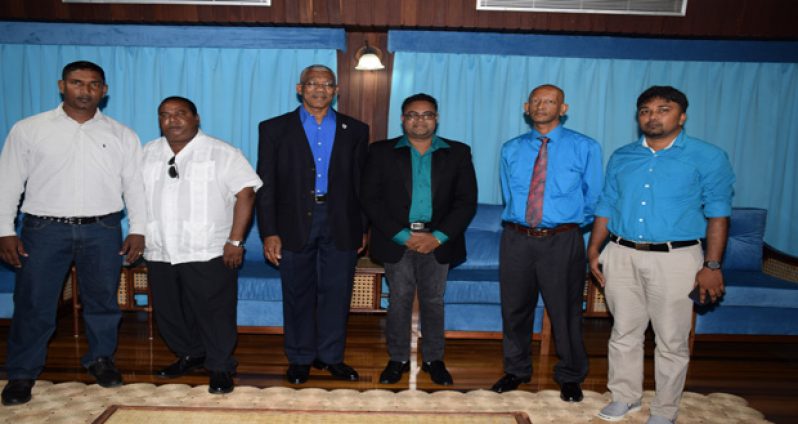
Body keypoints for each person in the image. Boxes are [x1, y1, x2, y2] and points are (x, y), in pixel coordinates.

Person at [0, 61, 146, 405]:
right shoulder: (29, 129)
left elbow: (135, 187)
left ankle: (100, 359)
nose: (85, 90)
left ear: (104, 90)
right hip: (44, 229)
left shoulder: (121, 134)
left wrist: (138, 229)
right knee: (34, 303)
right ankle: (22, 373)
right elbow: (8, 182)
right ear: (61, 85)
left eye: (94, 84)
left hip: (104, 229)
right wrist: (4, 230)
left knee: (103, 301)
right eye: (77, 83)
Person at [588, 86, 734, 424]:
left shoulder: (708, 156)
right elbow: (606, 203)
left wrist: (712, 265)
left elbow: (718, 213)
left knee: (671, 339)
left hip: (676, 259)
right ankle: (624, 397)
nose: (652, 116)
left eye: (662, 109)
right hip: (621, 253)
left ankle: (665, 410)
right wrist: (595, 248)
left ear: (681, 116)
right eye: (645, 110)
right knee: (623, 331)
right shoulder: (623, 155)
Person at [255, 64, 369, 384]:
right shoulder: (274, 129)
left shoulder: (356, 129)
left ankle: (331, 357)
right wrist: (269, 232)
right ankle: (300, 358)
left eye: (327, 84)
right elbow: (266, 184)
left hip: (341, 220)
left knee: (337, 292)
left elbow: (362, 184)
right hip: (292, 222)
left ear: (336, 90)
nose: (320, 89)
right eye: (312, 83)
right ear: (299, 88)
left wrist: (363, 227)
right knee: (297, 292)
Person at [141, 96, 261, 394]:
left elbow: (246, 195)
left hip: (207, 248)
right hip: (160, 249)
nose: (173, 120)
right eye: (165, 115)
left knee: (214, 312)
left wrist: (235, 240)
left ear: (196, 118)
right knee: (169, 312)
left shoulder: (222, 152)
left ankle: (220, 366)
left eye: (180, 113)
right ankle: (190, 354)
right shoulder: (146, 153)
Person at [492, 84, 603, 402]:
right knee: (514, 309)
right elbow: (508, 193)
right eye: (536, 101)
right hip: (516, 239)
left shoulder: (585, 147)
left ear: (563, 108)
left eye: (550, 101)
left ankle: (570, 375)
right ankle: (516, 370)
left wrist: (564, 224)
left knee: (565, 311)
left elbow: (594, 197)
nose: (542, 106)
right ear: (526, 107)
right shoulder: (511, 148)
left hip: (562, 240)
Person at [361, 93, 478, 386]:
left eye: (427, 114)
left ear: (436, 119)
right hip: (396, 239)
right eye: (413, 114)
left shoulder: (458, 152)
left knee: (434, 301)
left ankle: (434, 360)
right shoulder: (380, 151)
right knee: (398, 300)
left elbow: (466, 202)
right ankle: (397, 358)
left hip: (439, 242)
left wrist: (436, 238)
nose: (420, 120)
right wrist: (403, 236)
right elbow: (370, 199)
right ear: (403, 119)